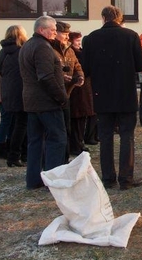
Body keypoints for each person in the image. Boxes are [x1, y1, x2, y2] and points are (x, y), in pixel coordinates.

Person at [82, 6, 142, 191]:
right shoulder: (130, 36)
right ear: (120, 19)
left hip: (102, 94)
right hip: (125, 93)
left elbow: (85, 68)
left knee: (105, 137)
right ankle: (126, 178)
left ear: (104, 18)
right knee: (127, 136)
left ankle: (108, 178)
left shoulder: (92, 38)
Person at [18, 16, 68, 190]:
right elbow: (45, 77)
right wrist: (61, 97)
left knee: (35, 142)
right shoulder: (42, 47)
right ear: (41, 30)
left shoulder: (28, 45)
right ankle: (52, 182)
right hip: (47, 103)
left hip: (32, 102)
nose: (55, 32)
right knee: (57, 140)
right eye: (52, 29)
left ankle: (33, 180)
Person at [52, 21, 85, 158]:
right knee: (57, 129)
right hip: (53, 95)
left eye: (67, 34)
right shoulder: (49, 49)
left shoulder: (69, 49)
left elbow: (77, 65)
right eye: (64, 34)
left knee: (67, 127)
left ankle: (65, 155)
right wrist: (61, 77)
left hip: (67, 94)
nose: (67, 37)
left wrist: (80, 76)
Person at [0, 25, 29, 168]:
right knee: (22, 125)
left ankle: (17, 154)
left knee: (14, 125)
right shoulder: (22, 51)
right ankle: (15, 155)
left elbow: (0, 71)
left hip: (8, 93)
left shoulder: (3, 52)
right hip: (21, 92)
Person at [68, 32, 98, 148]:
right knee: (77, 117)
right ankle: (77, 143)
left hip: (85, 89)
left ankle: (81, 141)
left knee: (83, 116)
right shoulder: (74, 54)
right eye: (77, 41)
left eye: (80, 41)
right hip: (77, 90)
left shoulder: (81, 53)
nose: (79, 43)